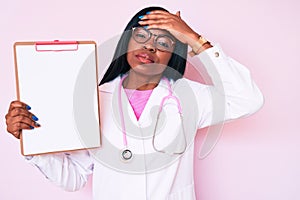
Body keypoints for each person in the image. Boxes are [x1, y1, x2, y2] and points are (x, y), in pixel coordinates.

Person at [5, 6, 264, 200]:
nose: (150, 47)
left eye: (163, 42)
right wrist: (33, 143)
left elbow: (248, 99)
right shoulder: (94, 99)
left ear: (175, 52)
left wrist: (196, 39)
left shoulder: (190, 97)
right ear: (126, 41)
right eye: (141, 36)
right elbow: (73, 178)